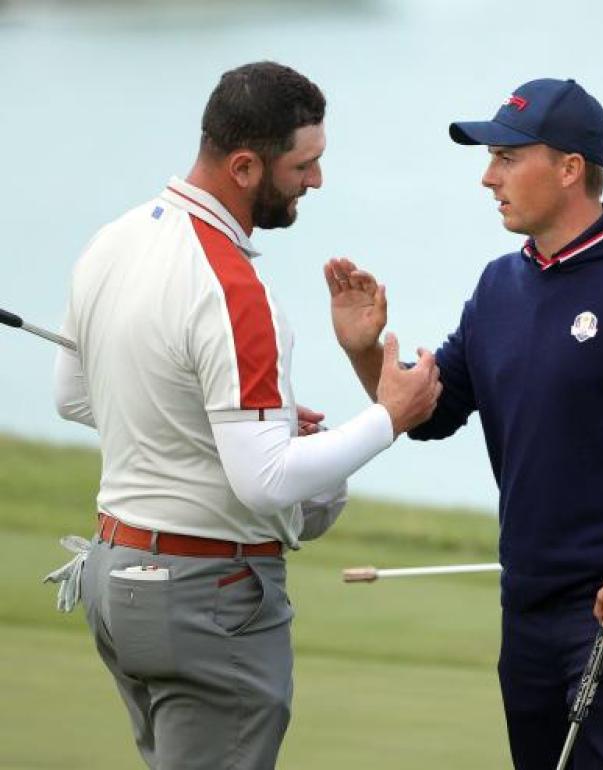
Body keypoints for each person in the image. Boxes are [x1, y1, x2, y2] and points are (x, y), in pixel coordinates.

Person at [326, 77, 603, 769]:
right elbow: (430, 414)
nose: (488, 177)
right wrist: (364, 352)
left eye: (506, 157)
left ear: (568, 168)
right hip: (528, 609)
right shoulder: (500, 285)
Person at [52, 61, 441, 769]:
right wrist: (388, 416)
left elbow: (75, 396)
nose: (316, 181)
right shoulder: (237, 291)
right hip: (207, 598)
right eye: (304, 165)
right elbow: (265, 481)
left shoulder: (113, 240)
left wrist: (232, 414)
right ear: (243, 165)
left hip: (117, 580)